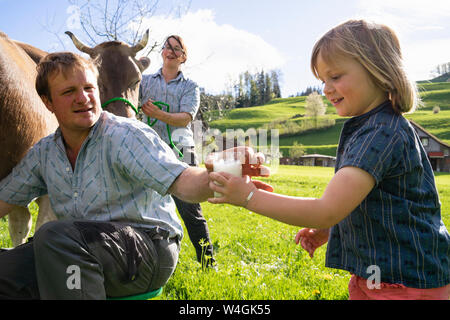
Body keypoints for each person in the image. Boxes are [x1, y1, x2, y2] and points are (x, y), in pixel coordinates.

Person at [208, 20, 450, 300]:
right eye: (323, 80)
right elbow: (365, 202)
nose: (326, 88)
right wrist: (330, 230)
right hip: (382, 275)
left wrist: (248, 196)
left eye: (335, 76)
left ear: (378, 71)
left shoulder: (380, 133)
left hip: (405, 282)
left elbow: (327, 208)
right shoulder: (373, 128)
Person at [0, 51, 269, 299]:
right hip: (76, 249)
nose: (83, 98)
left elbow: (185, 182)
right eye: (69, 91)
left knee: (54, 235)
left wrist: (222, 171)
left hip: (148, 247)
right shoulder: (44, 153)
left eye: (89, 88)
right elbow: (5, 199)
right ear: (47, 102)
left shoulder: (125, 135)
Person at [139, 35, 215, 267]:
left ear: (183, 57)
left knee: (190, 209)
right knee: (144, 206)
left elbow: (185, 119)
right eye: (167, 47)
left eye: (176, 48)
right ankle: (145, 260)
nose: (170, 51)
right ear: (162, 53)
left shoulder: (190, 87)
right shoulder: (144, 82)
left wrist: (158, 115)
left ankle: (208, 262)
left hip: (181, 150)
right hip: (149, 149)